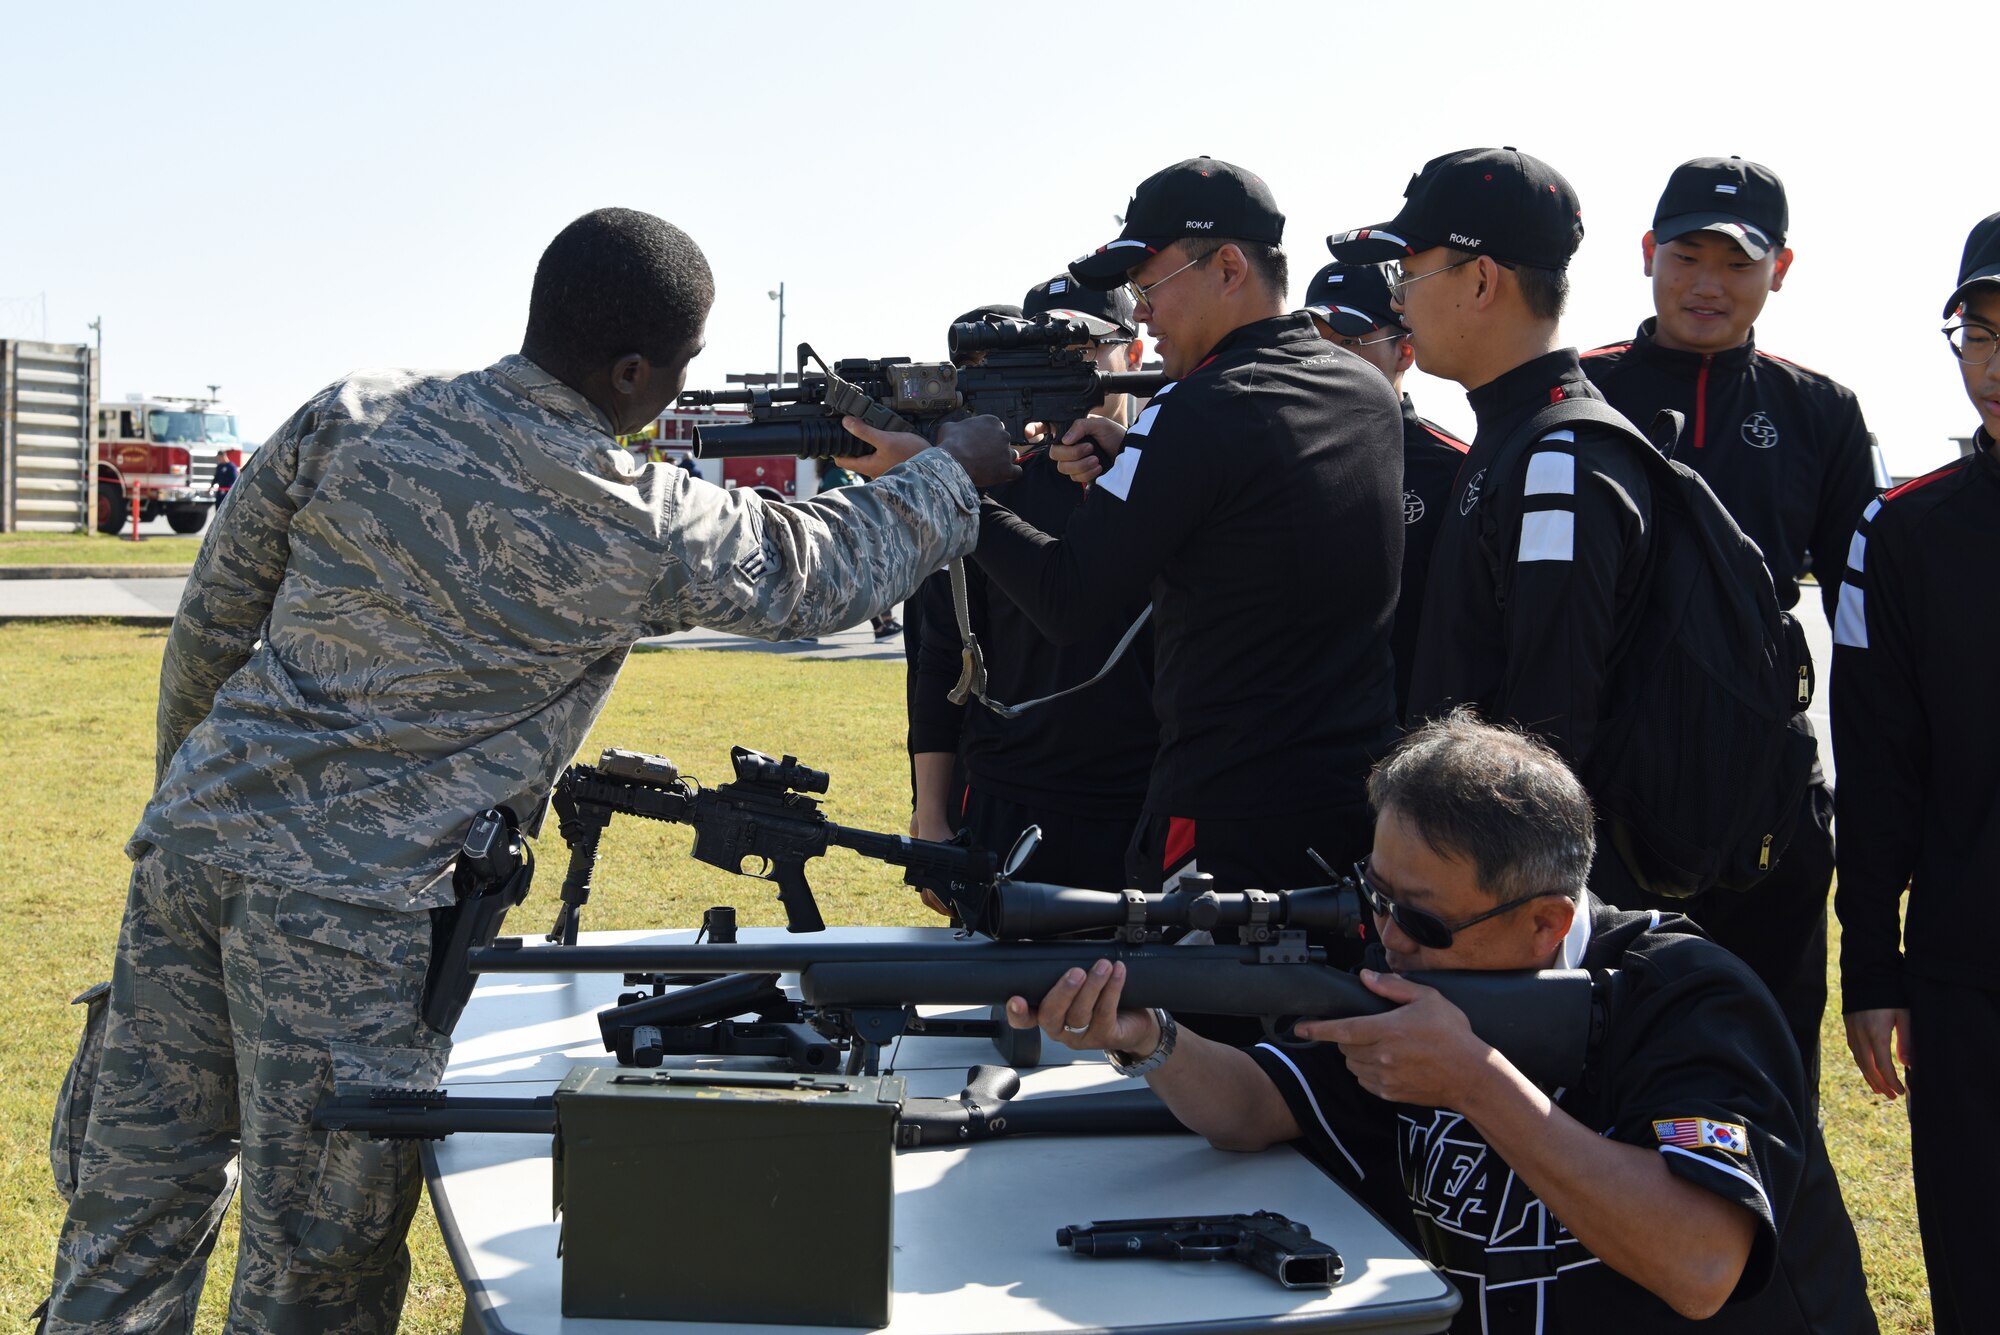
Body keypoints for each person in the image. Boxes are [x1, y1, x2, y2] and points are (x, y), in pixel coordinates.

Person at [38, 207, 1016, 1335]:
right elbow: (821, 574)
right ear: (634, 367)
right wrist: (951, 475)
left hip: (192, 855)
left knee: (130, 1215)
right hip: (356, 920)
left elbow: (211, 625)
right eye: (677, 369)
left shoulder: (355, 411)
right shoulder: (628, 511)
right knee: (315, 1266)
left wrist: (193, 803)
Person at [1013, 711, 1877, 1334]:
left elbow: (1700, 1265)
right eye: (1376, 896)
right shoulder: (1414, 978)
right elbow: (1254, 1107)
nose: (1388, 937)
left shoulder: (1689, 998)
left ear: (1545, 921)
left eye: (1421, 918)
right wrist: (1147, 1036)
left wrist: (1473, 1079)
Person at [859, 158, 1405, 898]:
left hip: (1221, 827)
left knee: (1187, 1017)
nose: (1143, 313)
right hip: (1342, 808)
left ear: (1230, 267)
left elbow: (1067, 599)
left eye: (1149, 287)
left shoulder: (1194, 409)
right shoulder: (1361, 388)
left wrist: (944, 481)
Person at [1582, 157, 1881, 1090]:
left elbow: (1866, 625)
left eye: (1739, 263)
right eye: (1687, 255)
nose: (1708, 284)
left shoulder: (1819, 411)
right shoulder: (1572, 393)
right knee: (1605, 1066)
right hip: (1603, 802)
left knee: (1771, 1067)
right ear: (1647, 254)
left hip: (1765, 803)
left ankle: (1772, 1238)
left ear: (1780, 268)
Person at [1331, 148, 1654, 901]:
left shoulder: (1554, 457)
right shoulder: (1512, 436)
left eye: (1410, 273)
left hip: (1505, 911)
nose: (1400, 300)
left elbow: (1549, 743)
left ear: (1481, 280)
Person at [1831, 211, 2000, 1335]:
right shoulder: (1903, 533)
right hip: (1968, 972)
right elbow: (1879, 769)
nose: (1994, 364)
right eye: (1977, 332)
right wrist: (1873, 963)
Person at [908, 277, 1157, 891]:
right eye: (1041, 352)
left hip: (1144, 804)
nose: (1059, 369)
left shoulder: (1173, 476)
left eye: (1079, 348)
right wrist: (930, 816)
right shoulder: (996, 484)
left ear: (1132, 353)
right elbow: (941, 658)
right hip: (1008, 803)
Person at [1300, 260, 1468, 719]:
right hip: (1295, 742)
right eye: (1313, 342)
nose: (1327, 359)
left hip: (1407, 738)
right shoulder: (1269, 457)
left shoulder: (1454, 468)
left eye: (1351, 341)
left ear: (1405, 352)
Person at [814, 462, 902, 639]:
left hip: (860, 537)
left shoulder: (848, 472)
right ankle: (881, 625)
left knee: (867, 582)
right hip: (843, 539)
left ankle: (882, 625)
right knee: (844, 585)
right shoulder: (835, 474)